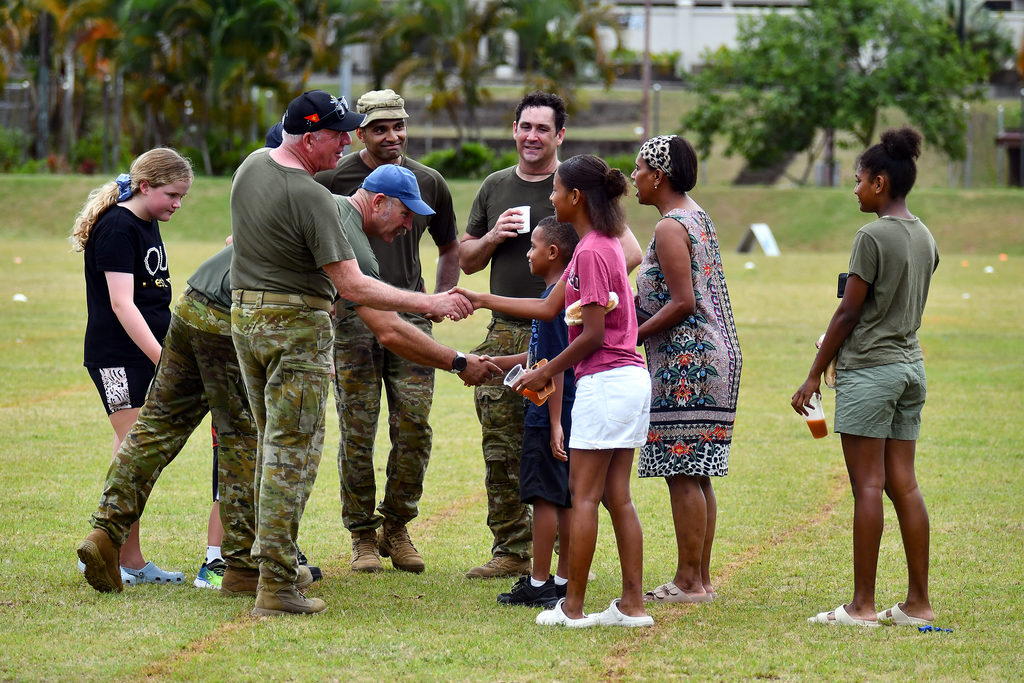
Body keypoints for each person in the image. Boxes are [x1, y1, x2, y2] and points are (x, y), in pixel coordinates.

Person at [229, 90, 472, 616]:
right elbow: (355, 287)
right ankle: (276, 585)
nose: (346, 143)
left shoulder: (249, 168)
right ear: (310, 135)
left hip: (247, 321)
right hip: (298, 331)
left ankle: (247, 566)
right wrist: (429, 303)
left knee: (270, 447)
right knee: (292, 456)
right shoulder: (316, 195)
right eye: (340, 133)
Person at [457, 154, 653, 628]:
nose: (550, 196)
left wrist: (543, 373)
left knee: (582, 499)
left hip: (604, 382)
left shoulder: (588, 251)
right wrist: (480, 297)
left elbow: (589, 336)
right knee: (616, 498)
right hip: (630, 380)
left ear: (575, 197)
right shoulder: (601, 243)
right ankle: (632, 606)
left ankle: (573, 608)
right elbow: (548, 309)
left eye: (556, 190)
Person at [75, 243, 321, 594]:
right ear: (378, 203)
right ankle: (240, 566)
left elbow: (233, 243)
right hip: (227, 316)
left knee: (155, 426)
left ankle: (104, 532)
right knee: (240, 436)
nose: (405, 227)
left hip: (192, 305)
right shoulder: (337, 225)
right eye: (404, 215)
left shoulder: (266, 195)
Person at [793, 127, 938, 628]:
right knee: (906, 486)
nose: (854, 189)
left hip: (871, 372)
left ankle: (862, 606)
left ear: (879, 183)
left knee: (869, 487)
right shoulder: (924, 235)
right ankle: (918, 603)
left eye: (858, 181)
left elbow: (848, 313)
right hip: (909, 368)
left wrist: (813, 374)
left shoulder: (871, 236)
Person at [314, 89, 461, 574]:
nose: (392, 136)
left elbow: (449, 245)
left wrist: (438, 299)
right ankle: (360, 534)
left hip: (413, 316)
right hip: (354, 320)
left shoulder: (429, 182)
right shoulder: (334, 180)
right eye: (380, 128)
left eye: (399, 126)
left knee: (415, 427)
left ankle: (395, 527)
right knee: (358, 431)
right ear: (361, 134)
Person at [71, 147, 193, 587]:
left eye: (182, 197)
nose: (176, 205)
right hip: (119, 358)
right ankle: (122, 559)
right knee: (134, 454)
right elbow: (123, 305)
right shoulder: (118, 227)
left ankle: (125, 557)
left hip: (144, 354)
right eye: (171, 195)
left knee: (136, 455)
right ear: (145, 187)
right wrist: (164, 361)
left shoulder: (146, 222)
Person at [631, 135, 742, 604]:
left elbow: (683, 302)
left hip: (688, 361)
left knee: (683, 468)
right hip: (715, 354)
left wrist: (631, 335)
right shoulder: (698, 216)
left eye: (639, 169)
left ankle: (688, 581)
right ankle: (699, 578)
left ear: (659, 175)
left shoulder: (670, 227)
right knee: (696, 471)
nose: (633, 177)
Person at [483, 217, 579, 607]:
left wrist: (554, 422)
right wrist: (496, 363)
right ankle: (563, 578)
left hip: (551, 413)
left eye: (533, 246)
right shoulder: (558, 296)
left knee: (544, 498)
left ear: (552, 253)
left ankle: (540, 583)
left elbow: (553, 364)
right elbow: (539, 356)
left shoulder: (551, 302)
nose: (527, 252)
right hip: (568, 406)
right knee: (566, 495)